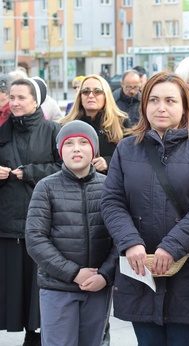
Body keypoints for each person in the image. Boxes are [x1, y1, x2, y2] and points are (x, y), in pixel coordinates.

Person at [101, 71, 189, 346]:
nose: (161, 107)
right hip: (140, 270)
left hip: (188, 270)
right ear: (144, 105)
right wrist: (130, 242)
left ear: (185, 107)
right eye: (154, 100)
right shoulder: (127, 149)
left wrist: (172, 246)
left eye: (170, 100)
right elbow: (111, 200)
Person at [25, 120, 117, 346]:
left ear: (94, 150)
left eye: (84, 142)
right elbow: (36, 239)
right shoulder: (46, 187)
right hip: (58, 287)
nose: (76, 148)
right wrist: (74, 273)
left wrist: (104, 275)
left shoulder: (109, 187)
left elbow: (120, 238)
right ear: (60, 150)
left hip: (97, 287)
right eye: (69, 144)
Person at [0, 77, 62, 346]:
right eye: (11, 97)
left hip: (41, 223)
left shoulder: (52, 130)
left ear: (36, 101)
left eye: (21, 97)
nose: (14, 102)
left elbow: (66, 168)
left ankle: (34, 336)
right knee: (9, 286)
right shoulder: (2, 130)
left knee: (37, 288)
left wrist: (30, 173)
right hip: (6, 223)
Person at [59, 74, 130, 174]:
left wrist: (108, 162)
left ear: (106, 96)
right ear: (80, 96)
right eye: (86, 91)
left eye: (97, 91)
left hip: (110, 183)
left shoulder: (121, 122)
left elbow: (130, 157)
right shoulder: (68, 125)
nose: (91, 95)